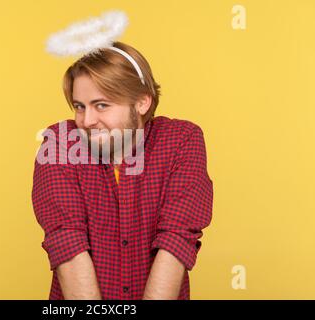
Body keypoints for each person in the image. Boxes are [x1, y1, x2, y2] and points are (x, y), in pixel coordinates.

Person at [32, 40, 213, 300]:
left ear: (141, 103)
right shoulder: (59, 142)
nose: (87, 121)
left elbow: (176, 240)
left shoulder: (182, 140)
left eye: (101, 105)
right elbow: (66, 240)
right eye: (79, 106)